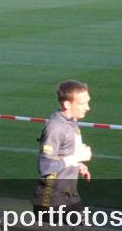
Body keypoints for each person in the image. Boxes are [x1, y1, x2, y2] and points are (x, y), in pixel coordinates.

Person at [32, 80, 93, 214]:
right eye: (82, 103)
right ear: (67, 104)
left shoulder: (72, 122)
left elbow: (63, 153)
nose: (87, 107)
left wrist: (78, 164)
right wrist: (77, 157)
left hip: (69, 196)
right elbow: (45, 166)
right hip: (51, 201)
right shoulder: (56, 127)